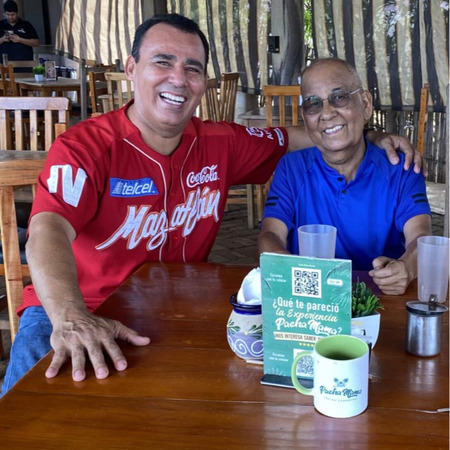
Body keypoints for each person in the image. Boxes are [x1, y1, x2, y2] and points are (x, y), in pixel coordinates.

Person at [1, 14, 422, 396]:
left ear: (204, 82)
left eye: (193, 68)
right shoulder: (85, 146)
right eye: (162, 62)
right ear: (131, 69)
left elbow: (315, 133)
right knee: (27, 421)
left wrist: (372, 136)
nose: (178, 79)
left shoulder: (221, 143)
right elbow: (47, 230)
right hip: (77, 308)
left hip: (177, 313)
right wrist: (71, 316)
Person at [258, 58, 432, 296]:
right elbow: (270, 234)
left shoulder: (401, 167)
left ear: (365, 104)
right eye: (313, 104)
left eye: (339, 97)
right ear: (306, 120)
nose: (326, 113)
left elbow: (421, 235)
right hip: (312, 300)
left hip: (382, 298)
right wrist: (289, 273)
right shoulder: (291, 168)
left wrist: (407, 267)